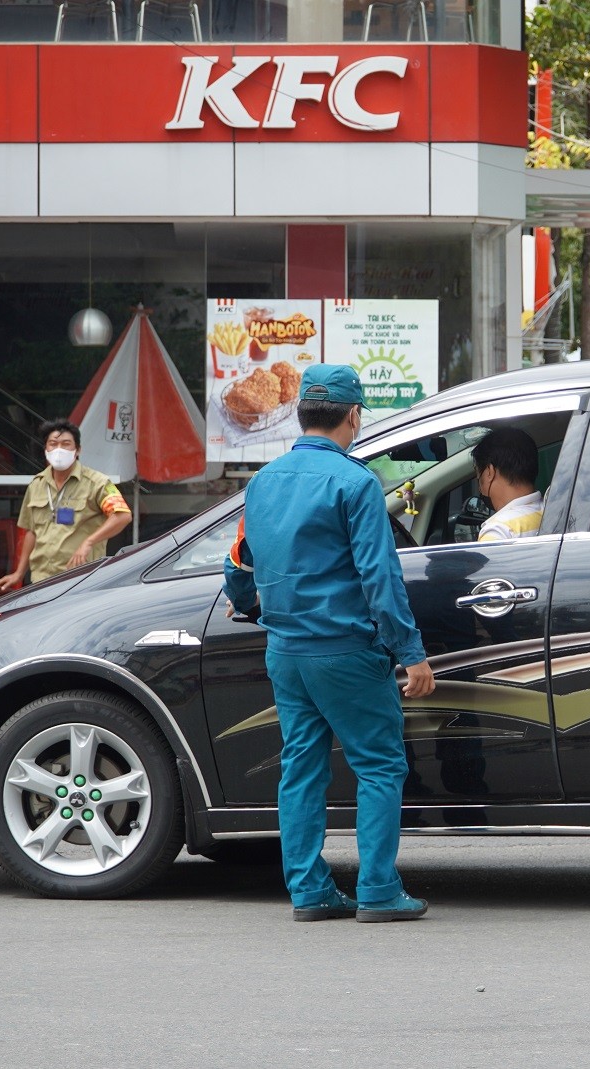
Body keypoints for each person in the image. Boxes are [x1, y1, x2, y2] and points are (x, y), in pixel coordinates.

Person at [223, 364, 437, 923]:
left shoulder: (263, 481)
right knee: (380, 766)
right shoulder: (356, 482)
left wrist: (249, 604)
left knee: (301, 767)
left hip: (286, 653)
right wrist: (410, 652)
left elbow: (240, 564)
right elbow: (380, 578)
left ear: (300, 415)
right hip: (345, 650)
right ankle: (379, 890)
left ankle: (310, 891)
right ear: (353, 415)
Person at [0, 419, 131, 591]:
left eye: (66, 444)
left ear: (77, 450)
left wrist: (88, 542)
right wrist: (19, 573)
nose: (59, 449)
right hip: (42, 580)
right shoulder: (37, 485)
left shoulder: (96, 482)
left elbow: (122, 515)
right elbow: (31, 532)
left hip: (81, 578)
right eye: (53, 444)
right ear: (46, 450)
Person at [471, 426, 543, 542]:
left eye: (479, 476)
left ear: (490, 471)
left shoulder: (498, 531)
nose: (480, 488)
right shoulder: (553, 513)